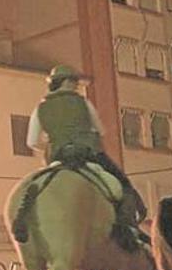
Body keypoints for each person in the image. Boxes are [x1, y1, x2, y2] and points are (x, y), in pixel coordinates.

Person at [26, 64, 148, 251]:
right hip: (88, 154)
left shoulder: (39, 108)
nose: (76, 86)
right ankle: (130, 225)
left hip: (58, 156)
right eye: (74, 82)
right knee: (121, 182)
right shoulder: (83, 103)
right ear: (66, 82)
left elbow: (32, 141)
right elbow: (100, 130)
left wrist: (52, 144)